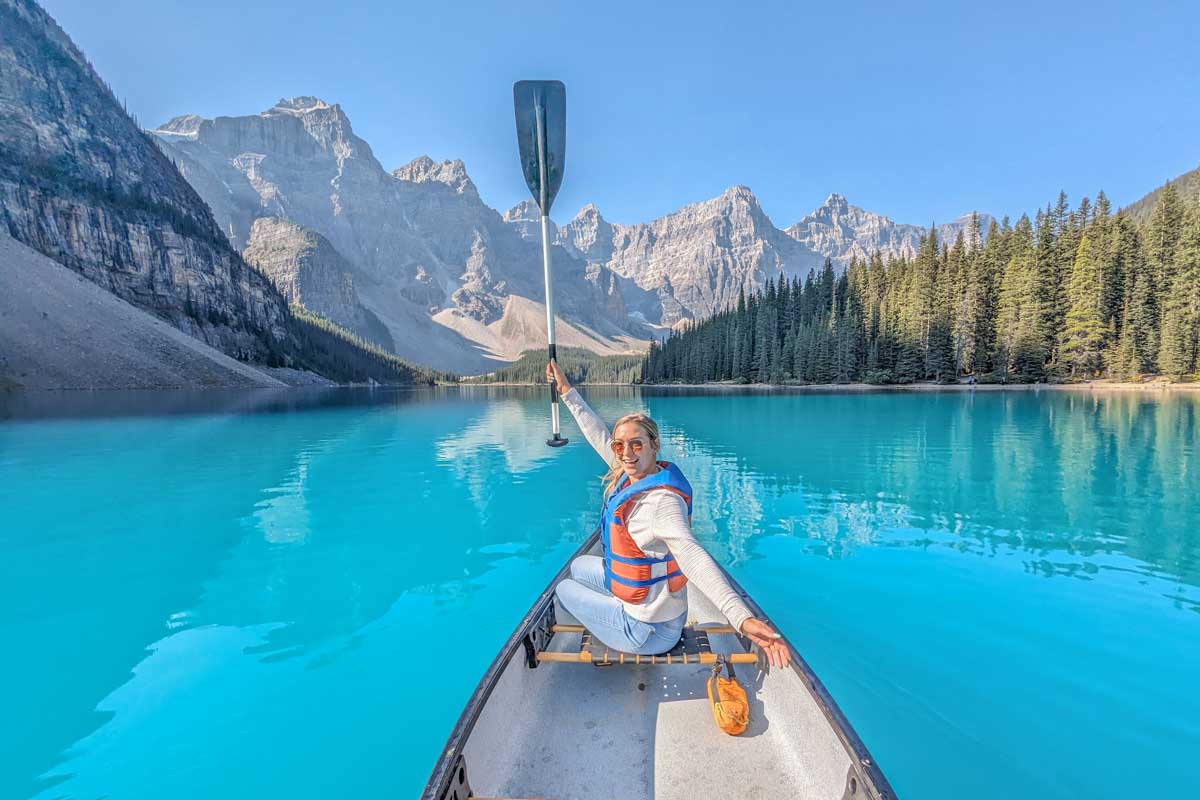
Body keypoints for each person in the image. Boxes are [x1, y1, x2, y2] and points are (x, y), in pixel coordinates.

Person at [546, 360, 790, 668]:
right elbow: (596, 432)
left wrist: (741, 618)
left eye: (636, 444)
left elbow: (692, 556)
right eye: (620, 446)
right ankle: (617, 604)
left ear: (654, 445)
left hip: (649, 631)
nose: (626, 453)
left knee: (564, 588)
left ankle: (615, 617)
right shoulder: (629, 472)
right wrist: (567, 390)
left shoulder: (662, 502)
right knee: (580, 565)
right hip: (652, 608)